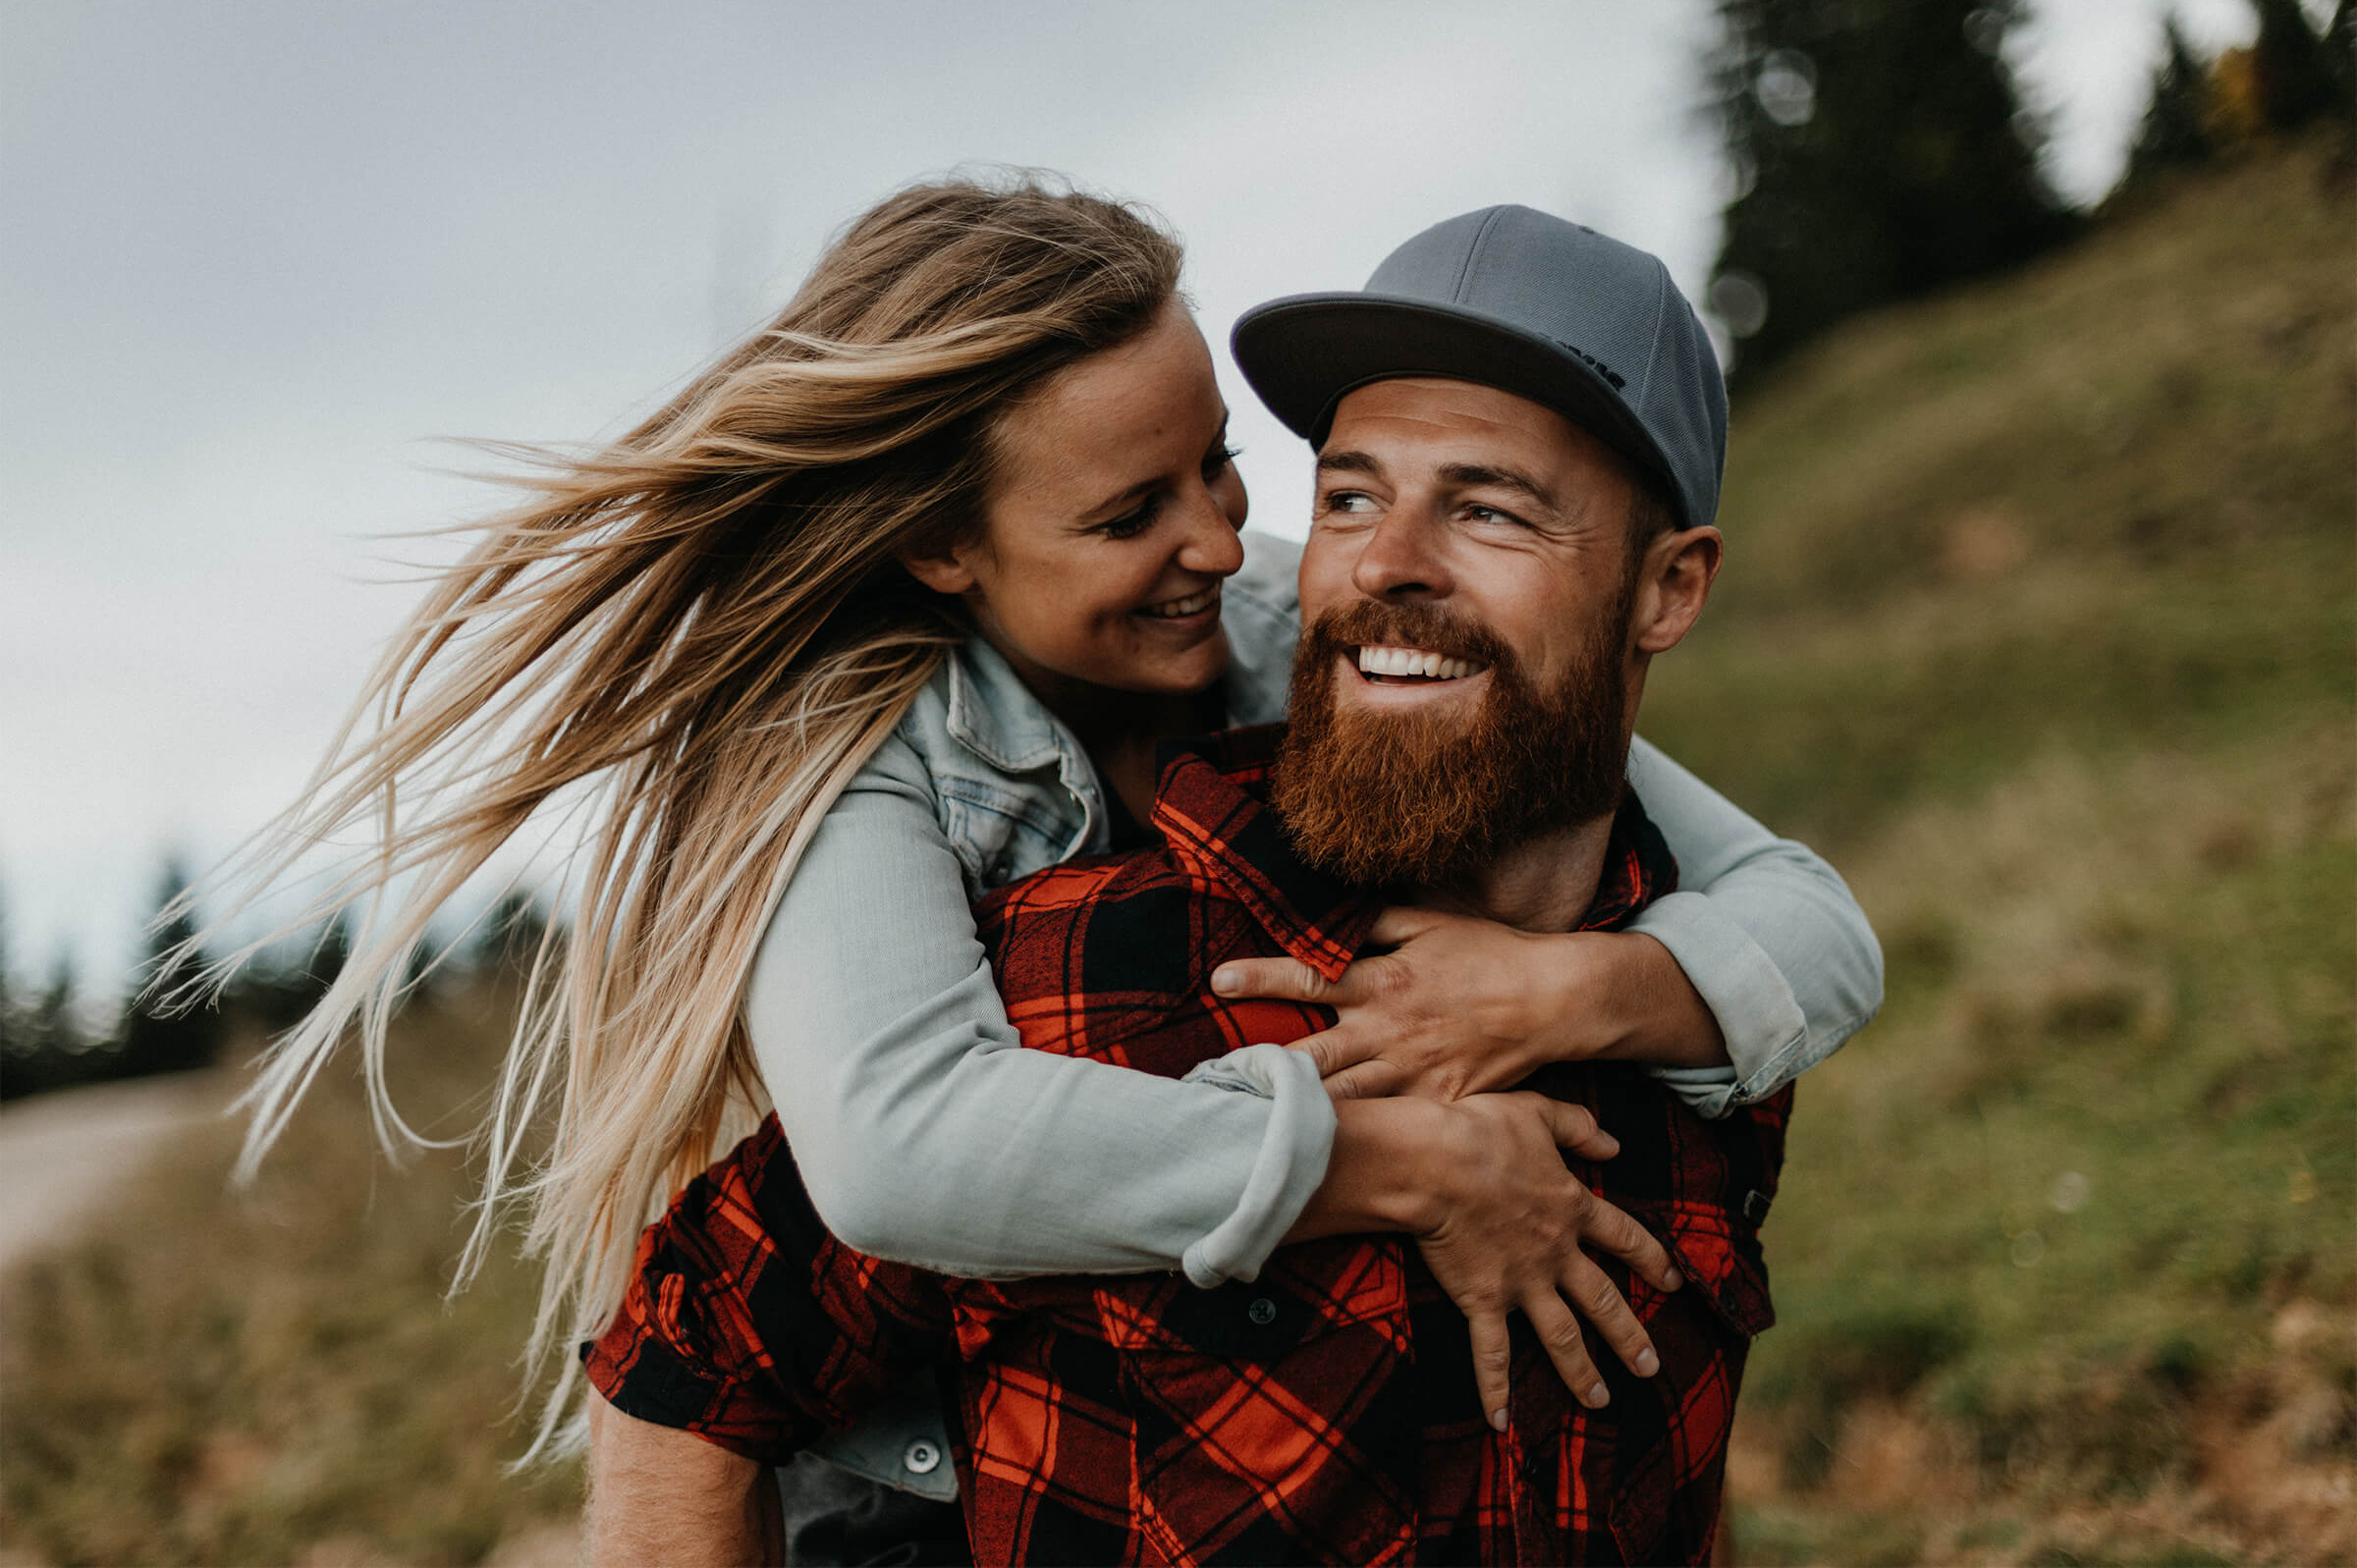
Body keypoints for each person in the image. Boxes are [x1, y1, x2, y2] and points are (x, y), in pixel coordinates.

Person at [189, 178, 1875, 1552]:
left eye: (1225, 466)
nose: (1223, 540)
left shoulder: (1303, 626)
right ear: (943, 543)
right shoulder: (869, 775)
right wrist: (1404, 1161)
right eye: (1133, 513)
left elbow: (1795, 908)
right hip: (919, 1484)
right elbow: (891, 1161)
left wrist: (1573, 992)